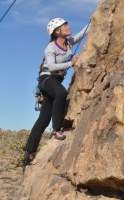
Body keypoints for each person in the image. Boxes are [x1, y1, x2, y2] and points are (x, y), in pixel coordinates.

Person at [24, 18, 90, 165]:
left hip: (55, 81)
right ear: (56, 32)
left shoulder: (69, 43)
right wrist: (70, 63)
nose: (68, 27)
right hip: (46, 79)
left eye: (67, 24)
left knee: (44, 117)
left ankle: (29, 151)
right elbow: (52, 66)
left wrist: (94, 19)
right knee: (61, 93)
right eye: (64, 26)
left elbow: (83, 33)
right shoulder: (51, 48)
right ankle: (57, 129)